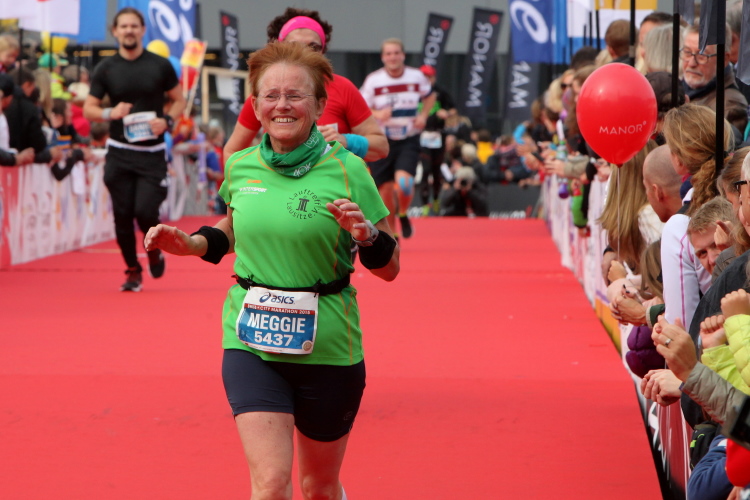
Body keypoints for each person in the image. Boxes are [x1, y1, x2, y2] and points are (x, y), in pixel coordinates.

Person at [144, 41, 399, 500]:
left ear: (318, 105)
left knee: (318, 487)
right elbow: (234, 227)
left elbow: (391, 267)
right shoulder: (241, 166)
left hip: (329, 346)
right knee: (271, 483)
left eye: (295, 95)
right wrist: (193, 243)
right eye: (271, 95)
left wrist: (366, 237)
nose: (282, 105)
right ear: (256, 106)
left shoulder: (349, 170)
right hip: (251, 341)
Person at [83, 7, 186, 292]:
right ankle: (132, 269)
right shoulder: (106, 68)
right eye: (124, 26)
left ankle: (153, 251)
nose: (129, 30)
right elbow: (89, 109)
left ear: (142, 30)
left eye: (134, 26)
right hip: (119, 152)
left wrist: (167, 121)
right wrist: (110, 113)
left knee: (145, 211)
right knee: (123, 215)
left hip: (151, 154)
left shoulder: (160, 65)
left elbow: (179, 100)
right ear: (115, 32)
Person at [223, 7, 388, 165]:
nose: (304, 52)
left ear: (323, 51)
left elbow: (381, 146)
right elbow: (231, 152)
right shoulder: (267, 94)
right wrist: (252, 182)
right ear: (280, 48)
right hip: (279, 182)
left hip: (332, 182)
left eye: (313, 47)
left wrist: (346, 141)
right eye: (294, 45)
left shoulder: (342, 87)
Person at [360, 38, 436, 238]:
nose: (392, 57)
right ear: (382, 57)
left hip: (408, 137)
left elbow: (430, 96)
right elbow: (361, 105)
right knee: (384, 188)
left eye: (396, 53)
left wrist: (423, 115)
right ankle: (392, 232)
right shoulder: (374, 80)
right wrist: (378, 113)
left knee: (404, 184)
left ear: (403, 55)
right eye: (388, 54)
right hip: (382, 139)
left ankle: (403, 212)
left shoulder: (416, 76)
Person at [680, 24, 748, 136]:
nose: (692, 63)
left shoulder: (730, 106)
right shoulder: (677, 90)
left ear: (724, 59)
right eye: (687, 52)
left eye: (702, 56)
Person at [417, 64, 455, 215]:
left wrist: (446, 113)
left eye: (429, 77)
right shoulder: (414, 92)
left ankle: (437, 199)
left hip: (438, 135)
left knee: (436, 170)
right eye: (424, 77)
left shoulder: (441, 91)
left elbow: (453, 108)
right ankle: (424, 204)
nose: (427, 80)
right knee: (425, 170)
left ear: (434, 77)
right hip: (422, 135)